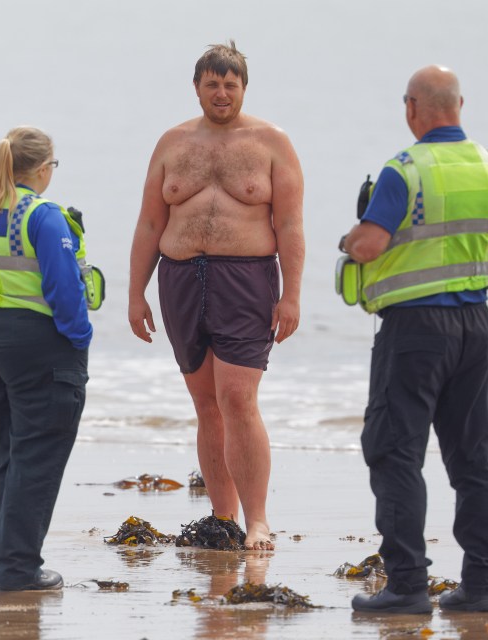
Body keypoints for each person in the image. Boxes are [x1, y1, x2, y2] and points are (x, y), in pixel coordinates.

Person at [343, 66, 488, 614]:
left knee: (394, 452)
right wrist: (473, 249)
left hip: (414, 330)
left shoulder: (403, 170)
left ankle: (407, 585)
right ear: (460, 105)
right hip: (474, 329)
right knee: (474, 457)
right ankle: (481, 586)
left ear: (412, 107)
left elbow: (369, 246)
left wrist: (351, 236)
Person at [128, 41, 304, 551]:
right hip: (180, 278)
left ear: (244, 88)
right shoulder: (172, 142)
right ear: (197, 86)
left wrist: (291, 295)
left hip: (245, 279)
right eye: (213, 83)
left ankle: (258, 521)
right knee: (206, 403)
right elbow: (149, 222)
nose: (222, 93)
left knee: (237, 398)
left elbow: (290, 223)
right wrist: (135, 292)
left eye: (231, 84)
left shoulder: (272, 142)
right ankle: (222, 517)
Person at [0, 126, 93, 591]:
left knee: (4, 454)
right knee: (38, 453)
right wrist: (80, 339)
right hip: (36, 341)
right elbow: (65, 291)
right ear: (44, 169)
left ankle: (7, 561)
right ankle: (18, 569)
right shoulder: (45, 216)